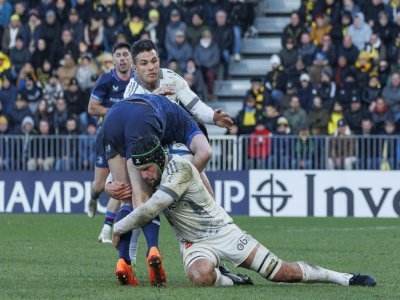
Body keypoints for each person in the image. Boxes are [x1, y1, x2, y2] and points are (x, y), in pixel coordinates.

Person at [111, 135, 377, 287]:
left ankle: (343, 278)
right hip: (194, 242)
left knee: (281, 273)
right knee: (199, 276)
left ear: (158, 159)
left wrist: (118, 227)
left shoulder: (179, 169)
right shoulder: (156, 175)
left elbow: (151, 209)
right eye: (140, 169)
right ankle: (232, 279)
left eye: (146, 168)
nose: (144, 175)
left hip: (223, 232)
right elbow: (137, 201)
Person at [101, 93, 216, 286]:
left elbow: (116, 179)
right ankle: (152, 250)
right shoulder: (186, 130)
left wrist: (106, 186)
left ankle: (124, 262)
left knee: (126, 196)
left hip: (111, 118)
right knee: (143, 197)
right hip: (141, 116)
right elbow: (205, 153)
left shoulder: (165, 129)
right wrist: (183, 185)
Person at [86, 42, 134, 243]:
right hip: (106, 135)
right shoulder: (106, 80)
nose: (122, 58)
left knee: (122, 183)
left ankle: (107, 229)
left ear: (131, 58)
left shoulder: (137, 79)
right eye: (119, 55)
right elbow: (91, 108)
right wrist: (115, 112)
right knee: (99, 185)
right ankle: (93, 199)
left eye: (125, 54)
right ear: (113, 60)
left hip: (128, 137)